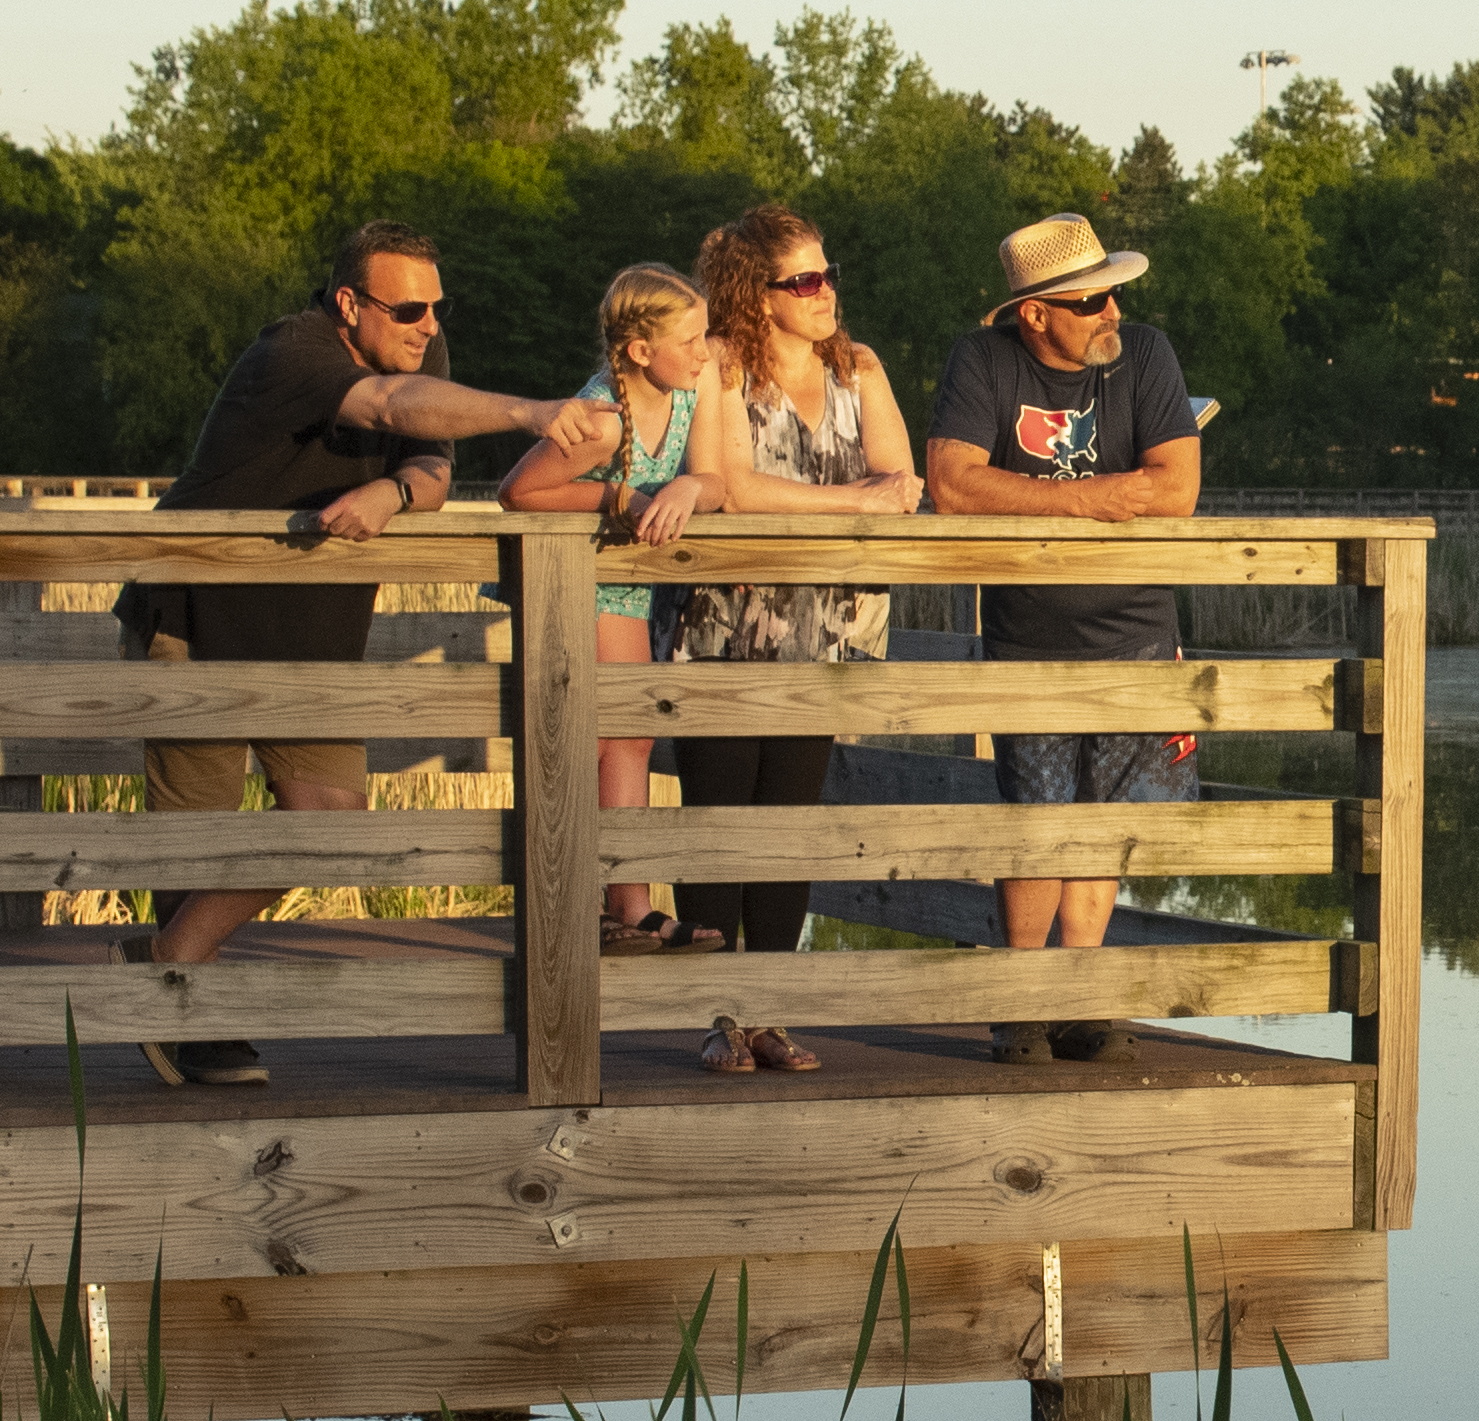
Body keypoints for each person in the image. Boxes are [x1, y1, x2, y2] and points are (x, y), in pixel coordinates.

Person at [115, 220, 621, 1087]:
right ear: (349, 304)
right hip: (195, 615)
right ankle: (183, 1015)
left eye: (437, 307)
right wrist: (535, 413)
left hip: (306, 636)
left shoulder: (416, 347)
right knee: (194, 839)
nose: (428, 326)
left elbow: (429, 460)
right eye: (410, 308)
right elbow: (389, 409)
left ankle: (165, 958)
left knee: (332, 816)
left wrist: (393, 488)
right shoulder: (292, 352)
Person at [921, 213, 1203, 1065]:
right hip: (1027, 630)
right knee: (1035, 818)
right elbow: (951, 486)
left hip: (1138, 628)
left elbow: (1178, 488)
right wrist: (1099, 500)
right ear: (1035, 313)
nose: (1111, 312)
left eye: (1114, 293)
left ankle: (1077, 998)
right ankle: (1020, 1005)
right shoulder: (984, 361)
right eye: (1090, 302)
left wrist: (1034, 494)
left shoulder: (1146, 352)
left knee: (1106, 818)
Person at [673, 204, 924, 1073]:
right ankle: (717, 1017)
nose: (825, 293)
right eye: (804, 280)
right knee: (718, 821)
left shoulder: (859, 367)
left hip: (826, 627)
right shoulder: (721, 366)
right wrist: (853, 502)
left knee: (789, 824)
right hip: (730, 623)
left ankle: (770, 1012)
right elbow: (732, 486)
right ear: (758, 291)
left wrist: (873, 496)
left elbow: (903, 479)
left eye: (828, 275)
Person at [493, 261, 727, 955]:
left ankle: (633, 902)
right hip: (573, 579)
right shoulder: (599, 421)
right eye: (689, 340)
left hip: (624, 582)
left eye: (705, 335)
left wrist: (688, 488)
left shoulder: (692, 386)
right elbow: (517, 491)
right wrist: (615, 498)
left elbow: (713, 475)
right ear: (637, 351)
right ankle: (581, 901)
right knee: (590, 741)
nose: (705, 351)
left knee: (632, 736)